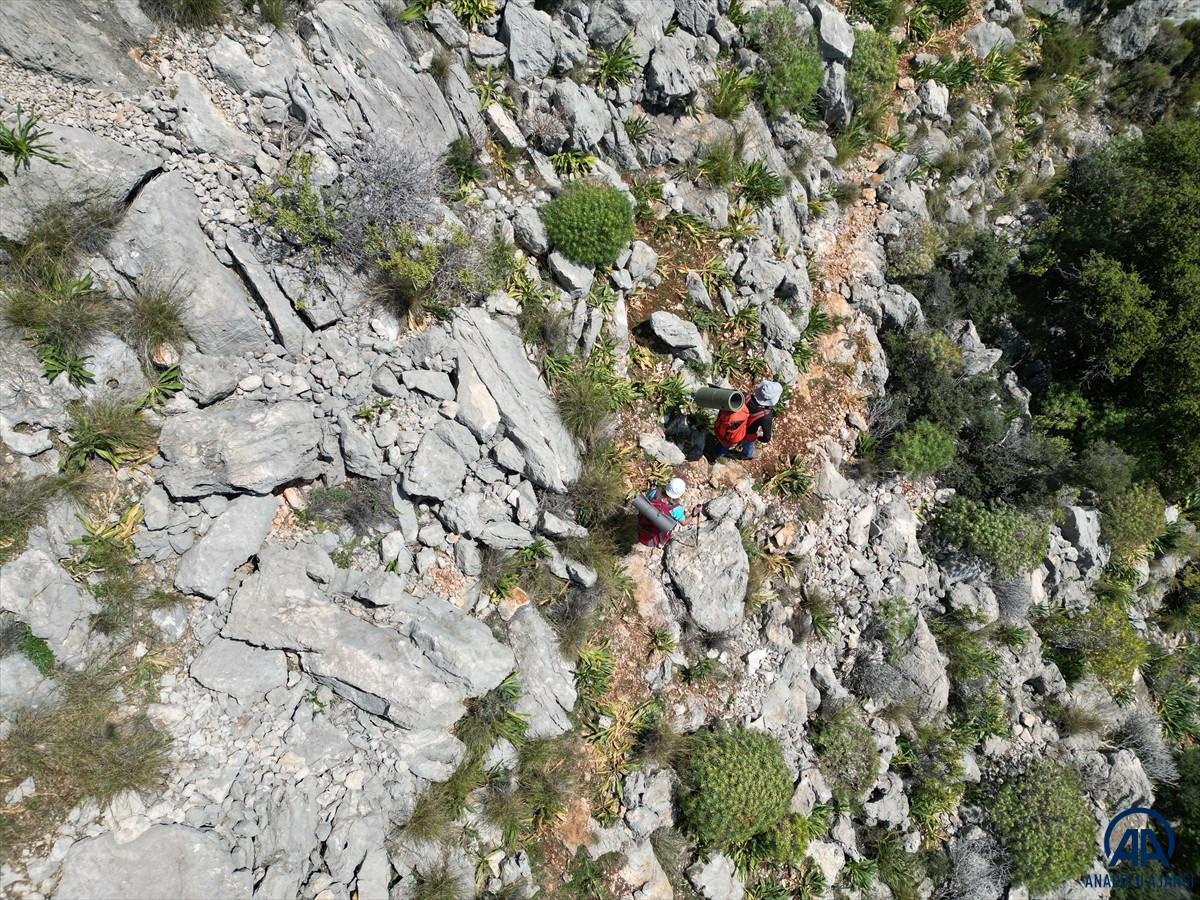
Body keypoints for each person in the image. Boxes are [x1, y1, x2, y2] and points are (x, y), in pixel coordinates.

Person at [714, 380, 782, 459]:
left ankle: (718, 454)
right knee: (748, 446)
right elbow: (767, 438)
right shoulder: (766, 416)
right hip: (748, 435)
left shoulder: (744, 396)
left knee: (726, 442)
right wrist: (758, 437)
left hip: (734, 430)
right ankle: (746, 455)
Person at [637, 477, 688, 547]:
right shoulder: (677, 509)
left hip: (640, 528)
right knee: (674, 526)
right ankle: (661, 543)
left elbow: (647, 500)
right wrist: (694, 514)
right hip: (651, 541)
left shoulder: (655, 492)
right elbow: (684, 523)